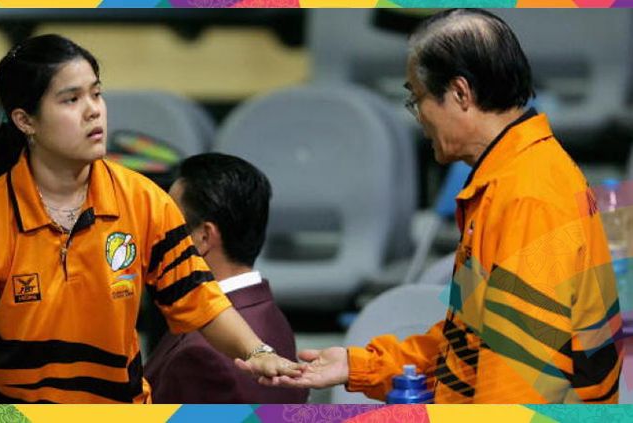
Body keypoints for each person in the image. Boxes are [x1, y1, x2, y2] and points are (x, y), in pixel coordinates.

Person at [0, 34, 300, 404]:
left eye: (96, 93)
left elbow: (200, 301)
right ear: (25, 121)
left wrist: (259, 352)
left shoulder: (145, 201)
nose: (94, 110)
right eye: (71, 99)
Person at [261, 9, 623, 404]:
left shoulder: (527, 198)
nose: (419, 118)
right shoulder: (514, 177)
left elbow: (517, 390)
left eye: (418, 100)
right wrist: (359, 365)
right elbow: (468, 346)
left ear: (460, 94)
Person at [144, 153, 309, 404]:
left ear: (203, 237)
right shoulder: (268, 313)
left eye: (169, 225)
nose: (157, 236)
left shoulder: (200, 355)